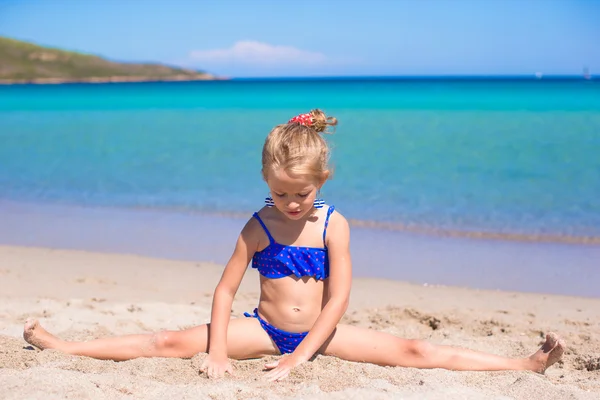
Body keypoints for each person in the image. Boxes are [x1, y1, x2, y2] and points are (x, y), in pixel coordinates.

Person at [23, 109, 565, 381]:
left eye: (300, 194)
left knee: (415, 352)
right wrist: (215, 352)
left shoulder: (335, 226)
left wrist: (300, 359)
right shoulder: (257, 225)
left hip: (320, 337)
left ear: (321, 183)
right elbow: (223, 290)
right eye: (278, 192)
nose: (290, 204)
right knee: (166, 341)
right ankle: (63, 349)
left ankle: (521, 365)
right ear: (265, 180)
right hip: (260, 329)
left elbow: (338, 302)